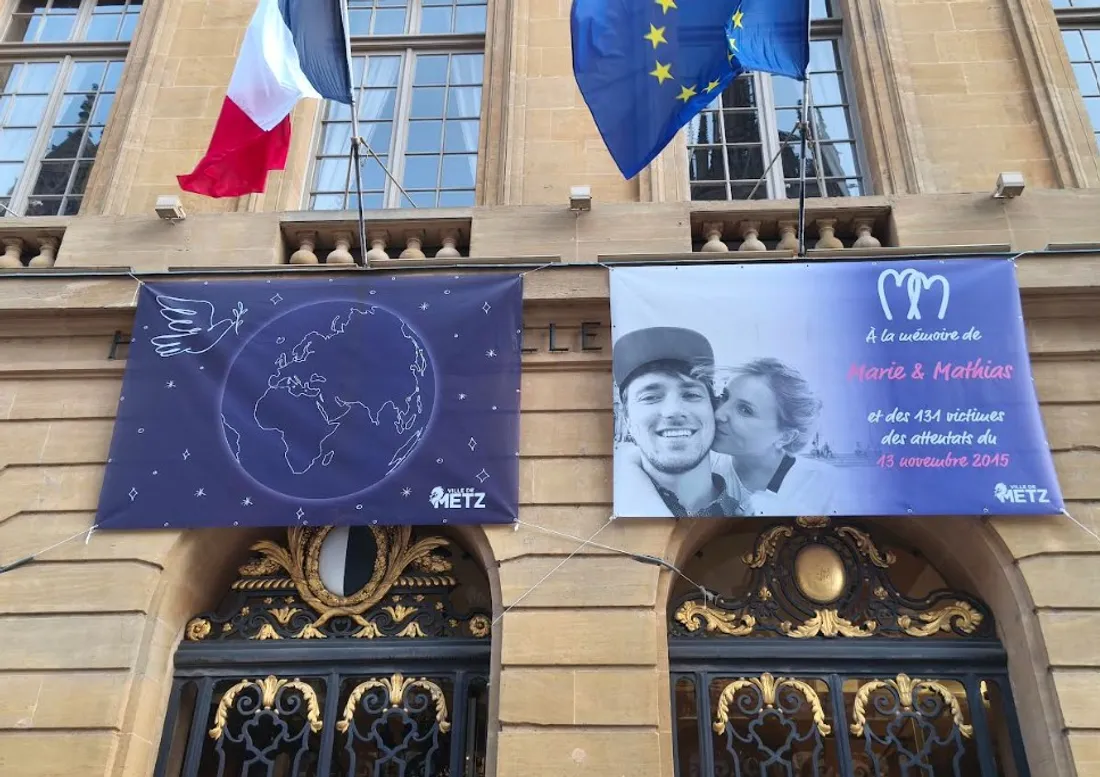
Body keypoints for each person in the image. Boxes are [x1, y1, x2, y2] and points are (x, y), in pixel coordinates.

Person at [612, 327, 743, 517]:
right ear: (627, 419)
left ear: (713, 409)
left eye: (691, 394)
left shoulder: (764, 511)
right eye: (650, 397)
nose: (673, 411)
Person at [708, 358, 837, 516]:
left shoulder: (824, 486)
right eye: (724, 396)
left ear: (785, 437)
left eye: (745, 410)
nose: (719, 414)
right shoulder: (704, 469)